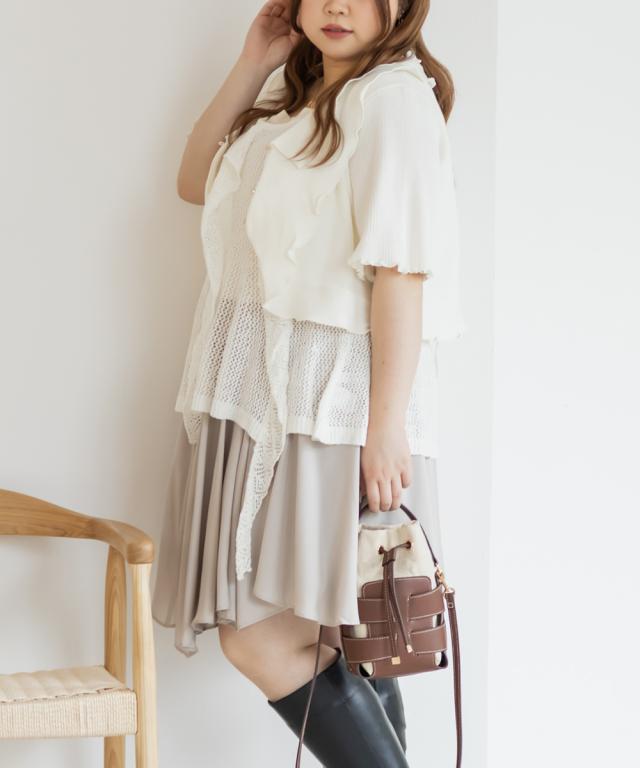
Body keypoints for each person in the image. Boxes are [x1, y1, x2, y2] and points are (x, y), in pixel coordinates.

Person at [151, 0, 465, 765]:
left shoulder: (392, 99)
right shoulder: (292, 101)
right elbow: (193, 180)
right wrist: (254, 61)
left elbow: (401, 271)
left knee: (262, 637)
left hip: (331, 414)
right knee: (348, 644)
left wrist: (384, 426)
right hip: (263, 404)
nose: (336, 5)